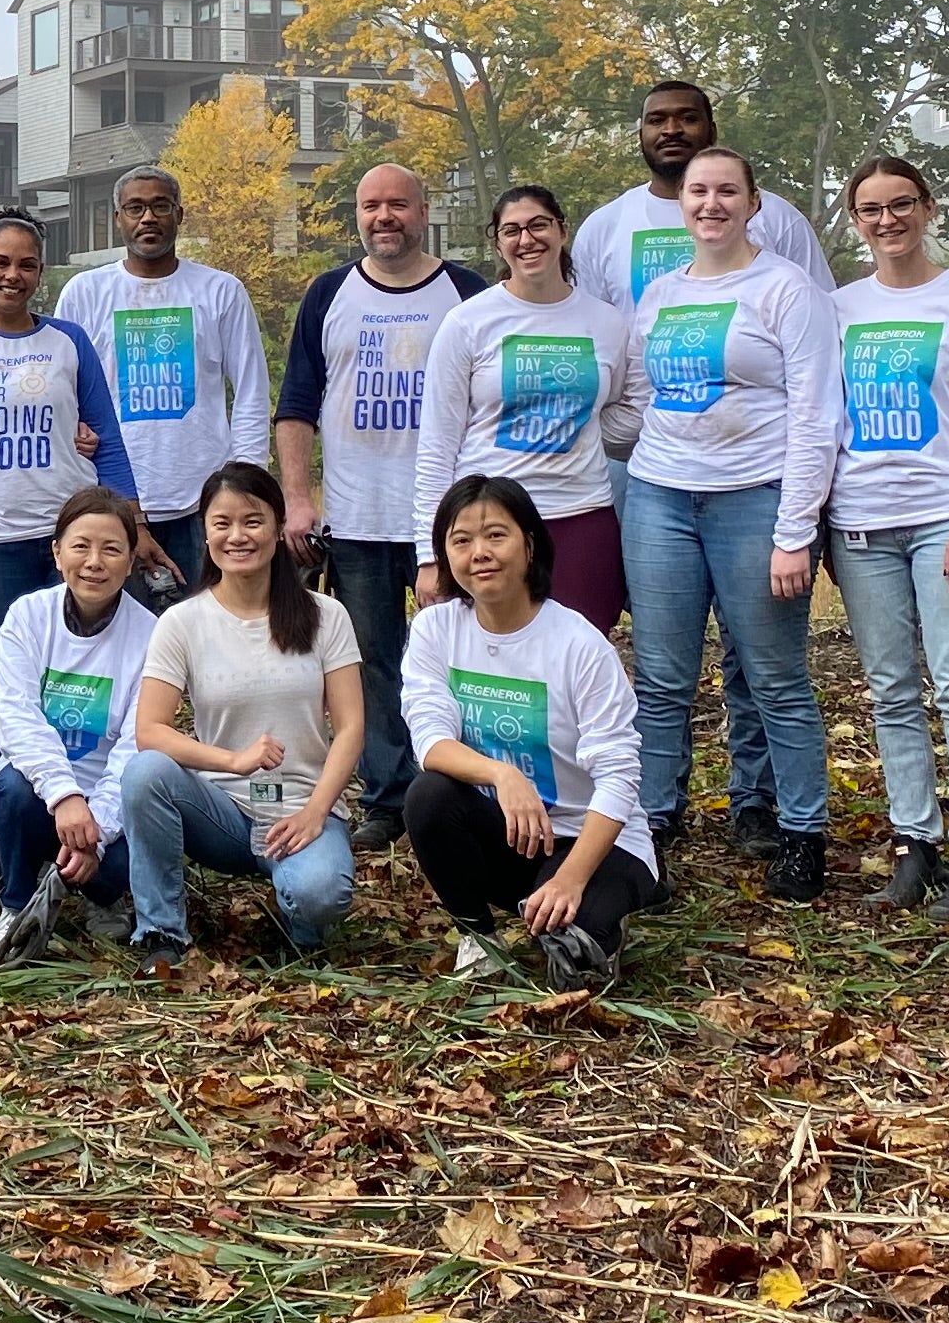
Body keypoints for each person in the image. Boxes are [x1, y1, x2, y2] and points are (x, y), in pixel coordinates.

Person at [617, 146, 841, 898]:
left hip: (755, 498)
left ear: (754, 202)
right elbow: (641, 398)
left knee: (775, 678)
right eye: (698, 191)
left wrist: (793, 529)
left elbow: (816, 416)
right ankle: (649, 824)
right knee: (661, 678)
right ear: (681, 203)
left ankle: (801, 833)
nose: (711, 203)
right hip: (659, 498)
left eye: (727, 192)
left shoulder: (788, 289)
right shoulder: (660, 296)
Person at [829, 157, 949, 916]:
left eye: (901, 205)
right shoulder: (838, 308)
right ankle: (915, 845)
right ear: (856, 220)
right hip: (862, 525)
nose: (888, 221)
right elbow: (823, 421)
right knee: (890, 691)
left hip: (946, 520)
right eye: (872, 210)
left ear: (928, 208)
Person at [0, 214, 140, 874]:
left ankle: (87, 829)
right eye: (0, 263)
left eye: (26, 264)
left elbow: (110, 440)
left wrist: (134, 528)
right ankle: (5, 838)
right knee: (2, 691)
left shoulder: (69, 343)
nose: (12, 276)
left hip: (67, 545)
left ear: (41, 272)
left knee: (77, 689)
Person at [272, 163, 486, 849]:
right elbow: (297, 405)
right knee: (370, 663)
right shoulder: (330, 294)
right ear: (357, 216)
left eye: (398, 204)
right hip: (359, 519)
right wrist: (298, 498)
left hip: (452, 523)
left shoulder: (469, 293)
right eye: (371, 205)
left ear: (425, 212)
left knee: (465, 658)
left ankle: (471, 790)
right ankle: (388, 799)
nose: (383, 216)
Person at [403, 472, 658, 987]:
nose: (480, 552)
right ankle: (479, 936)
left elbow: (619, 777)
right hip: (513, 832)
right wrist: (503, 775)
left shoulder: (578, 645)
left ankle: (606, 907)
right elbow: (430, 741)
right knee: (428, 796)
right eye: (461, 540)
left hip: (596, 838)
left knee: (575, 959)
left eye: (496, 534)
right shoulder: (435, 629)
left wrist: (570, 879)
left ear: (530, 544)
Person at [123, 460, 365, 963]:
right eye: (223, 523)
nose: (238, 536)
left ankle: (302, 926)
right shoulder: (183, 622)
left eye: (253, 521)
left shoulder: (326, 616)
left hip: (303, 805)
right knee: (145, 773)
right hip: (222, 812)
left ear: (279, 529)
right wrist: (231, 761)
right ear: (205, 532)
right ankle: (162, 932)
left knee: (322, 895)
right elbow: (150, 731)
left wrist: (317, 811)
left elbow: (351, 727)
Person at [414, 182, 636, 637]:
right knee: (496, 664)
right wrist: (429, 553)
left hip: (582, 517)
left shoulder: (607, 322)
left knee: (579, 657)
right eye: (511, 230)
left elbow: (633, 408)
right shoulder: (468, 322)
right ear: (497, 243)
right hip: (488, 522)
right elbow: (437, 444)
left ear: (562, 231)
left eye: (538, 225)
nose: (526, 239)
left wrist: (588, 426)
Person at [58, 167, 269, 593]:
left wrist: (247, 482)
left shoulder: (220, 291)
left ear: (179, 215)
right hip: (114, 499)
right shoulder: (84, 293)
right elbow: (61, 391)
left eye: (160, 206)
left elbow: (251, 391)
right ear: (118, 218)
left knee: (207, 630)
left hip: (204, 500)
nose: (148, 218)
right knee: (121, 639)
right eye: (135, 208)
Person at [0, 488, 159, 965]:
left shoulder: (152, 635)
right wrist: (64, 796)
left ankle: (102, 895)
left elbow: (137, 741)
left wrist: (95, 828)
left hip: (107, 803)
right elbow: (16, 717)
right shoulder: (27, 617)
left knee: (126, 856)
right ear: (57, 552)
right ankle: (16, 902)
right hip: (43, 793)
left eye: (112, 549)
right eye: (81, 546)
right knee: (12, 790)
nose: (94, 562)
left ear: (130, 559)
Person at [569, 82, 833, 308]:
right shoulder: (602, 227)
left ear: (713, 132)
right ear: (641, 136)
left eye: (688, 118)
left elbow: (820, 313)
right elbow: (590, 329)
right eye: (656, 120)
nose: (671, 130)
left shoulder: (776, 216)